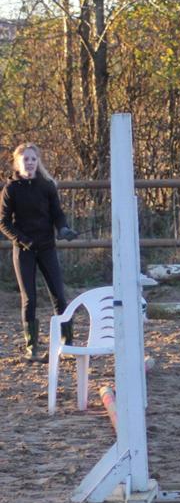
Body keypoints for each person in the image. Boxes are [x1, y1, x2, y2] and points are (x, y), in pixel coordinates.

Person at [0, 144, 79, 362]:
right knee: (29, 299)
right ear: (18, 162)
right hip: (24, 250)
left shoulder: (47, 186)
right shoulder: (11, 190)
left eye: (33, 159)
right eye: (26, 159)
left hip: (46, 247)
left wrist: (63, 229)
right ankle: (32, 347)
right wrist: (23, 240)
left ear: (38, 161)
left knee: (59, 295)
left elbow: (57, 214)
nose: (30, 162)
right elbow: (4, 223)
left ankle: (67, 343)